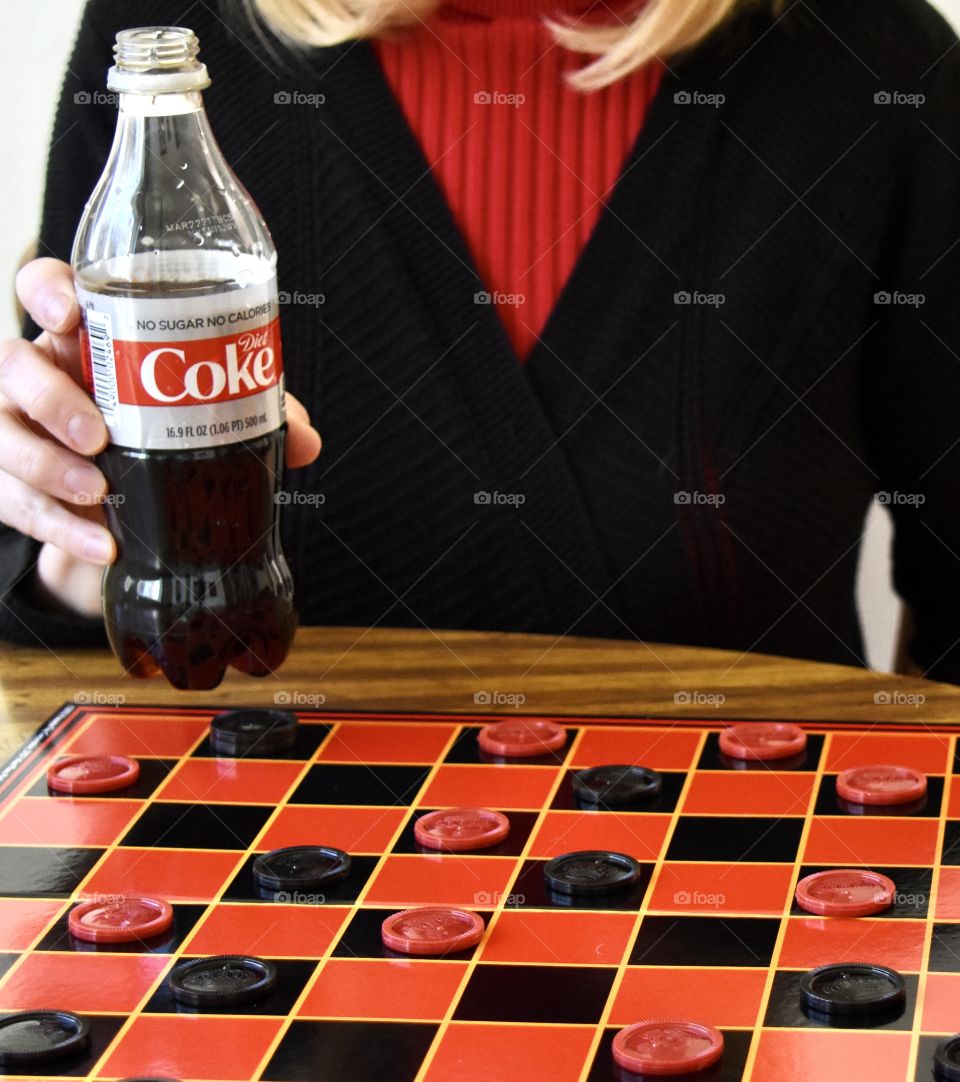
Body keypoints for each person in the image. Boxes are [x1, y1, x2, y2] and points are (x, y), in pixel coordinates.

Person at [1, 0, 959, 681]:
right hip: (254, 903)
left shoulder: (877, 62)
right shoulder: (165, 46)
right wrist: (80, 529)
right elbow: (68, 647)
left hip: (755, 908)